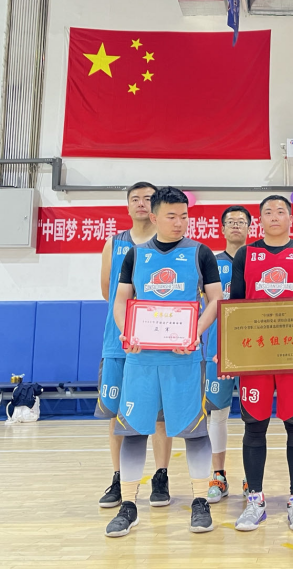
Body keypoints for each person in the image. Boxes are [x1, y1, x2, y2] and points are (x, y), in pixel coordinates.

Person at [105, 186, 223, 537]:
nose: (179, 222)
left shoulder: (201, 253)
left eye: (184, 216)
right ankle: (129, 505)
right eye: (171, 216)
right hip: (140, 360)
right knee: (133, 430)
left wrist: (195, 332)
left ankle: (200, 500)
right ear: (154, 217)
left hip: (184, 360)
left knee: (194, 431)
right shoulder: (135, 255)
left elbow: (215, 300)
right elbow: (121, 300)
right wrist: (126, 332)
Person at [228, 195, 293, 532]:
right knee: (254, 425)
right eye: (267, 212)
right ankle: (255, 500)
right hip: (255, 354)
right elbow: (235, 304)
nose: (274, 216)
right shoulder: (245, 254)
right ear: (259, 219)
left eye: (280, 211)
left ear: (290, 217)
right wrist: (228, 349)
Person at [96, 181, 174, 509]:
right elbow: (108, 292)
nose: (141, 203)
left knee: (159, 416)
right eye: (135, 199)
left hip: (158, 341)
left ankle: (161, 476)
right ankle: (118, 478)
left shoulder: (169, 245)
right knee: (117, 414)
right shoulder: (114, 243)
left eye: (147, 198)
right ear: (128, 206)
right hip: (119, 342)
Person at [204, 205, 251, 504]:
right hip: (217, 351)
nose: (236, 225)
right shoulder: (210, 262)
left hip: (252, 349)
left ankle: (251, 477)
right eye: (230, 221)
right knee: (218, 413)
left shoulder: (257, 258)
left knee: (252, 416)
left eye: (241, 221)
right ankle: (218, 476)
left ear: (249, 228)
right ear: (221, 228)